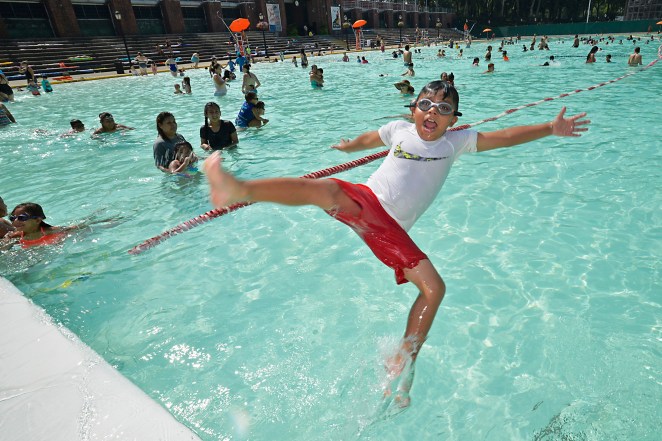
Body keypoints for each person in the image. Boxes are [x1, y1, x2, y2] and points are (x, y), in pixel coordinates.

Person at [203, 80, 590, 407]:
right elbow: (374, 138)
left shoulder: (455, 143)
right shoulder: (399, 130)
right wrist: (350, 146)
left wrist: (548, 129)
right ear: (412, 109)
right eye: (425, 104)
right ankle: (238, 189)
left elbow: (504, 137)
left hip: (389, 229)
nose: (432, 111)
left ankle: (403, 357)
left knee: (434, 289)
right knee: (321, 189)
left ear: (454, 118)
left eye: (443, 107)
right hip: (367, 203)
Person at [2, 203, 75, 248]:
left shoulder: (50, 231)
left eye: (22, 218)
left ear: (37, 220)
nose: (15, 221)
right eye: (12, 218)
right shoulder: (15, 236)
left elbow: (75, 228)